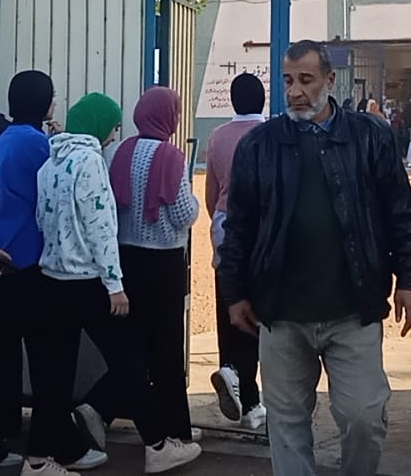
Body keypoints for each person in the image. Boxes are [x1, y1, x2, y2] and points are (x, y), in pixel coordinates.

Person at [219, 40, 411, 476]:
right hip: (281, 314)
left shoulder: (369, 138)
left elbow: (400, 212)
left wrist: (408, 280)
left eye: (306, 80)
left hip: (353, 310)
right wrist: (234, 293)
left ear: (330, 81)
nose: (295, 91)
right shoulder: (259, 146)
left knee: (364, 416)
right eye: (288, 81)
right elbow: (239, 226)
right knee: (287, 425)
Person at [27, 93, 202, 475]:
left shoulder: (51, 162)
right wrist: (113, 284)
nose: (114, 133)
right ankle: (159, 445)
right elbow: (101, 227)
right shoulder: (91, 162)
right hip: (89, 281)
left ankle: (38, 460)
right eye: (112, 125)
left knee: (55, 375)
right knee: (130, 362)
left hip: (52, 278)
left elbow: (42, 218)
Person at [110, 88, 201, 458]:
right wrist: (195, 203)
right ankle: (176, 430)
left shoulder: (120, 152)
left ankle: (100, 408)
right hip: (164, 263)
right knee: (166, 350)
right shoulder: (171, 156)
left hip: (126, 258)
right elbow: (181, 213)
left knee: (134, 346)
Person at [0, 70, 56, 467]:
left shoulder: (5, 139)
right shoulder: (36, 143)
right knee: (44, 357)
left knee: (0, 355)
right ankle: (48, 443)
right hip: (26, 263)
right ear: (43, 103)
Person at [204, 74, 267, 429]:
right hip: (260, 228)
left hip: (225, 225)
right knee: (257, 311)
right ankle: (249, 390)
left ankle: (230, 368)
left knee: (228, 301)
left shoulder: (217, 136)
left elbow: (212, 194)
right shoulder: (269, 134)